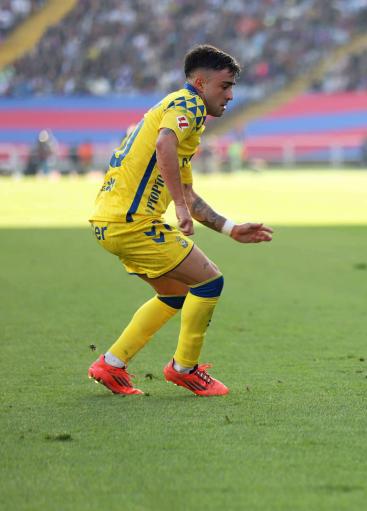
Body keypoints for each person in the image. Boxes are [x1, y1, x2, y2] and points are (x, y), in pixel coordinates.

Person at [88, 45, 273, 396]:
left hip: (109, 222)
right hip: (133, 222)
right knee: (209, 282)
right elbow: (164, 145)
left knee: (174, 293)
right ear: (200, 83)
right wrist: (179, 208)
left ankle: (111, 365)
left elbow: (188, 192)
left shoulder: (184, 119)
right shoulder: (185, 104)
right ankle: (184, 368)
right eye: (225, 86)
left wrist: (230, 228)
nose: (231, 95)